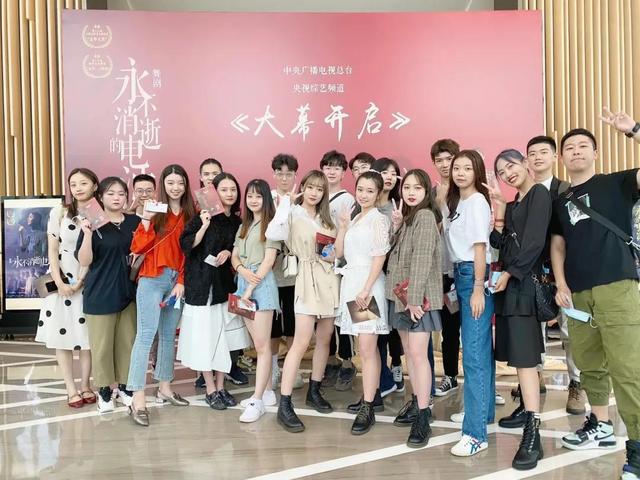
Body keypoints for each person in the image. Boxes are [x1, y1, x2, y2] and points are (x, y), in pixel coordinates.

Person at [550, 128, 640, 479]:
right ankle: (601, 425)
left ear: (596, 153)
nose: (576, 151)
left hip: (617, 287)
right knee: (589, 365)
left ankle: (637, 447)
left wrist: (634, 131)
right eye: (569, 147)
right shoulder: (561, 200)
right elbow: (558, 244)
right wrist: (561, 284)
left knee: (628, 370)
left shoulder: (617, 183)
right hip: (578, 293)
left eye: (583, 146)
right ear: (562, 157)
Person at [486, 149, 552, 470]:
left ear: (525, 163)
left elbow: (535, 243)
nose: (508, 174)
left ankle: (533, 432)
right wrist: (500, 209)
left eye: (511, 166)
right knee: (520, 358)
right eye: (502, 172)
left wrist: (511, 273)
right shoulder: (514, 203)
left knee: (525, 359)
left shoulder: (539, 194)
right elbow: (497, 243)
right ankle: (527, 410)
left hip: (523, 284)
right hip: (511, 287)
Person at [266, 170, 339, 433]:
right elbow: (273, 231)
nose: (314, 193)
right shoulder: (292, 213)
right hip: (306, 279)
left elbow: (335, 251)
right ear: (303, 187)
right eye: (310, 187)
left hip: (329, 278)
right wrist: (286, 203)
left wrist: (333, 255)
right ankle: (285, 403)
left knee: (325, 338)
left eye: (320, 189)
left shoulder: (327, 218)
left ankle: (314, 390)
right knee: (301, 341)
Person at [127, 165, 196, 426]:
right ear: (163, 186)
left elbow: (191, 252)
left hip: (176, 282)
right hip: (152, 278)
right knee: (145, 336)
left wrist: (181, 281)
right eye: (170, 183)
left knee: (168, 336)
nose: (176, 187)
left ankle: (165, 388)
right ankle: (137, 398)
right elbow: (138, 246)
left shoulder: (191, 213)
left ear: (186, 185)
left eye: (180, 183)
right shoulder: (155, 209)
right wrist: (146, 219)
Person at [177, 173, 251, 411]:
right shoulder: (202, 217)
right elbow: (186, 245)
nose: (229, 194)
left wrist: (229, 252)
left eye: (233, 189)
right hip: (200, 287)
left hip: (224, 286)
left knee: (224, 339)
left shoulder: (237, 222)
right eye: (224, 189)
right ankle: (210, 388)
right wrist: (204, 225)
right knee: (205, 340)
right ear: (214, 192)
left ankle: (221, 386)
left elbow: (238, 249)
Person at [525, 135, 585, 415]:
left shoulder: (566, 190)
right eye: (532, 153)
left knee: (570, 331)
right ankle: (534, 376)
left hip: (566, 272)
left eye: (543, 152)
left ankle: (576, 384)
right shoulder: (524, 191)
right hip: (534, 273)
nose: (537, 157)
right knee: (533, 330)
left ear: (554, 157)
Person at [444, 150, 495, 457]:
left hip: (473, 276)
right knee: (479, 350)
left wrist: (477, 288)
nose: (460, 173)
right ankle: (483, 414)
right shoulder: (458, 202)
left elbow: (479, 247)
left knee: (474, 354)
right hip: (460, 274)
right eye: (456, 168)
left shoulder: (476, 201)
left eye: (467, 168)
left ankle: (475, 434)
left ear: (477, 171)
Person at [386, 169, 443, 448]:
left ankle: (423, 413)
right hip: (402, 297)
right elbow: (395, 254)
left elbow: (422, 260)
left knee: (419, 356)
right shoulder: (410, 217)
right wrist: (396, 226)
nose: (410, 192)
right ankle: (418, 402)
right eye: (407, 187)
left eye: (417, 188)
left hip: (417, 300)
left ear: (426, 191)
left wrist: (414, 299)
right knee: (411, 354)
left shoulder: (425, 216)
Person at [76, 176, 140, 414]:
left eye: (121, 194)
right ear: (100, 197)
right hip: (100, 293)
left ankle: (125, 386)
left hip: (128, 292)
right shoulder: (93, 223)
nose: (116, 198)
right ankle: (104, 389)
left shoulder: (134, 222)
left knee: (127, 342)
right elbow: (84, 261)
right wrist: (88, 233)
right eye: (111, 193)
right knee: (102, 346)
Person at [36, 168, 99, 408]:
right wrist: (60, 282)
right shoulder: (60, 212)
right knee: (61, 336)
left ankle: (86, 385)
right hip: (61, 279)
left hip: (89, 280)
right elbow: (52, 249)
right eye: (73, 184)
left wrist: (81, 280)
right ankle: (70, 388)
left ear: (95, 185)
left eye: (84, 183)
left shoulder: (98, 213)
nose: (78, 188)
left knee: (86, 336)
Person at [334, 170, 390, 435]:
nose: (364, 195)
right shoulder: (356, 218)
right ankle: (372, 397)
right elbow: (339, 252)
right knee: (365, 348)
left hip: (367, 287)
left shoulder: (378, 219)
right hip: (353, 285)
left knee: (367, 348)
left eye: (370, 191)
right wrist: (343, 226)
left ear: (378, 194)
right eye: (360, 189)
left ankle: (368, 406)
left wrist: (367, 289)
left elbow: (379, 257)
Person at [228, 179, 280, 422]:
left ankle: (257, 400)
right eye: (250, 196)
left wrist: (249, 288)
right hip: (243, 284)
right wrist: (241, 270)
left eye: (258, 196)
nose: (253, 200)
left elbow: (269, 261)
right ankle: (266, 392)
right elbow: (235, 256)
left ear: (266, 199)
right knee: (259, 344)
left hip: (261, 287)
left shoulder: (272, 225)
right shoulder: (244, 225)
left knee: (262, 346)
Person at [320, 150, 357, 391]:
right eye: (328, 167)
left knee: (344, 314)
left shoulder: (348, 199)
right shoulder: (315, 194)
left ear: (344, 173)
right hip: (319, 265)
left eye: (336, 167)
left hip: (341, 265)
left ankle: (347, 362)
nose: (331, 171)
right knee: (325, 315)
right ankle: (330, 360)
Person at [430, 139, 463, 398]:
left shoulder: (467, 190)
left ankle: (484, 383)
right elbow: (429, 233)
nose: (444, 165)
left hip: (467, 271)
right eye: (438, 160)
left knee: (475, 330)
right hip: (441, 273)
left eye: (448, 159)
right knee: (448, 329)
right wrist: (438, 204)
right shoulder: (430, 194)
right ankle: (450, 376)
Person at [269, 153, 303, 390]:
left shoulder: (301, 200)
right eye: (279, 173)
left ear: (295, 175)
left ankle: (293, 369)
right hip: (271, 272)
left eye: (288, 174)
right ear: (274, 174)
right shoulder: (267, 199)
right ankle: (272, 367)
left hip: (295, 273)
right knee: (272, 325)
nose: (284, 178)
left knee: (293, 323)